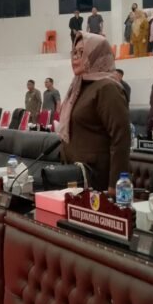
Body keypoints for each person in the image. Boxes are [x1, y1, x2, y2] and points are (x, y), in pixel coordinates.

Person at [59, 32, 130, 195]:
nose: (76, 58)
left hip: (98, 179)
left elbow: (121, 137)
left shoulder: (107, 87)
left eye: (82, 53)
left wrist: (116, 184)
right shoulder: (78, 86)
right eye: (74, 53)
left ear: (96, 55)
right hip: (75, 175)